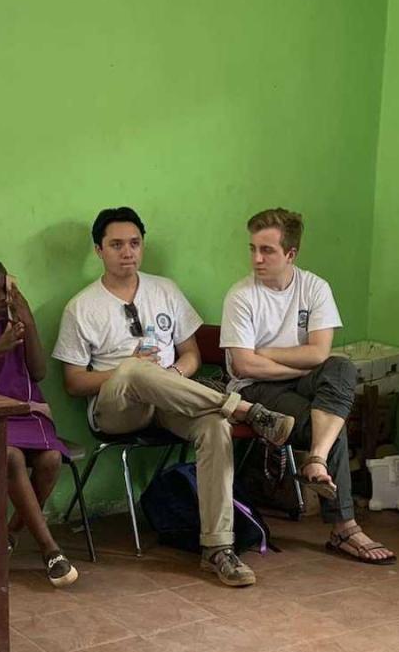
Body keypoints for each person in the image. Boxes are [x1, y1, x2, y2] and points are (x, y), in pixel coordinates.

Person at [51, 207, 296, 588]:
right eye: (116, 245)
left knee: (215, 426)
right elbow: (73, 382)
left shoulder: (164, 289)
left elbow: (193, 355)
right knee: (133, 369)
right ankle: (245, 409)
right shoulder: (81, 307)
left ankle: (218, 549)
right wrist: (128, 371)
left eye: (134, 243)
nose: (127, 252)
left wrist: (173, 374)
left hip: (171, 399)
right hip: (117, 408)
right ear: (99, 250)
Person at [221, 208, 396, 566]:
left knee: (342, 368)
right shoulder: (241, 296)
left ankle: (316, 459)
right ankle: (345, 527)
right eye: (252, 248)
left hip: (302, 381)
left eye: (267, 250)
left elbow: (321, 353)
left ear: (291, 254)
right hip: (255, 387)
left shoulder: (314, 287)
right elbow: (243, 364)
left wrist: (267, 351)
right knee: (330, 421)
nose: (256, 258)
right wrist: (292, 362)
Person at [0, 255, 79, 587]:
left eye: (3, 289)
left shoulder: (18, 325)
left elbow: (38, 372)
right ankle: (50, 549)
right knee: (10, 457)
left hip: (29, 414)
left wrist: (29, 324)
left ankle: (9, 532)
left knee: (51, 459)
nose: (0, 297)